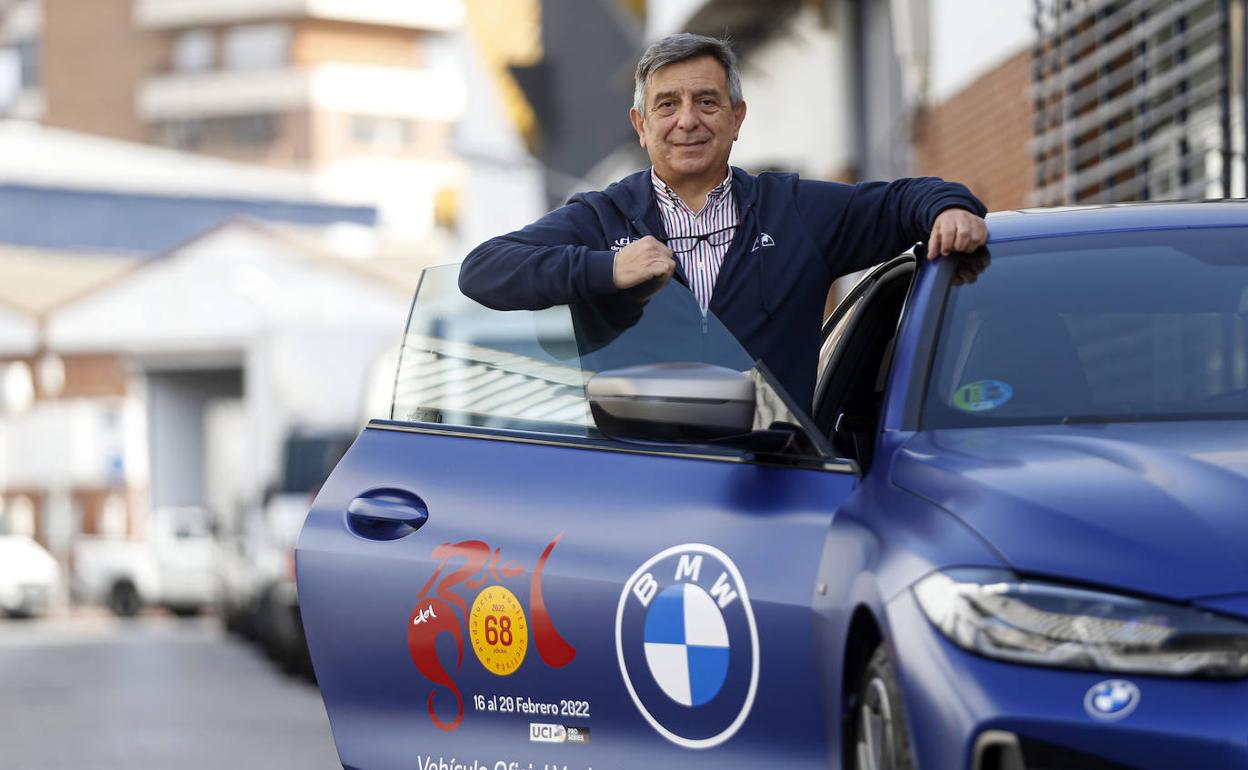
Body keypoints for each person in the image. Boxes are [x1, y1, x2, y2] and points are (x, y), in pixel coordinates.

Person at [459, 33, 987, 410]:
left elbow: (909, 198)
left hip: (774, 484)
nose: (687, 119)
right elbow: (482, 270)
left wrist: (950, 208)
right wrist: (606, 268)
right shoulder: (600, 217)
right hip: (636, 484)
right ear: (641, 126)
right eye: (667, 105)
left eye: (706, 101)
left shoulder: (795, 209)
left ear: (736, 118)